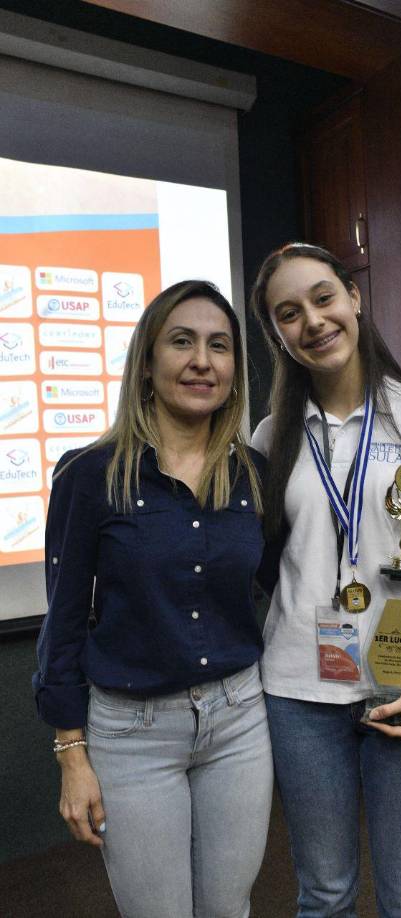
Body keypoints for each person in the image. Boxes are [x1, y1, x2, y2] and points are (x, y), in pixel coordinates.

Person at [249, 243, 401, 918]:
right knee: (325, 894)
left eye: (324, 297)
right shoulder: (272, 435)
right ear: (277, 334)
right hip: (300, 691)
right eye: (289, 313)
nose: (313, 320)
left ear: (354, 298)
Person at [34, 280, 273, 918]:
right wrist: (71, 754)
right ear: (147, 361)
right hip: (131, 732)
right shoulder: (90, 475)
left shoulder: (252, 474)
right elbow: (61, 624)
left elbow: (282, 586)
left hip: (239, 722)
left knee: (229, 908)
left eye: (219, 346)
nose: (203, 360)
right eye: (183, 341)